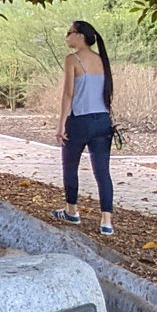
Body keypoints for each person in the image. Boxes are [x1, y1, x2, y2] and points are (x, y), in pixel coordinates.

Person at [51, 19, 116, 235]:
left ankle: (72, 210)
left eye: (69, 32)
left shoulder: (73, 59)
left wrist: (61, 125)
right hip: (103, 120)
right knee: (102, 171)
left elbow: (68, 94)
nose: (67, 36)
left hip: (79, 120)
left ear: (80, 36)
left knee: (70, 166)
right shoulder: (101, 60)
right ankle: (106, 220)